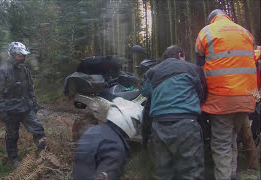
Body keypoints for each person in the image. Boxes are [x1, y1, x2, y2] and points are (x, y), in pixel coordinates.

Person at [195, 9, 257, 179]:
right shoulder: (245, 32)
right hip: (246, 98)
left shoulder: (206, 32)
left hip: (221, 99)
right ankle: (232, 173)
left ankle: (224, 176)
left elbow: (199, 68)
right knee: (232, 137)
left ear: (211, 20)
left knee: (221, 143)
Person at [140, 45, 206, 180]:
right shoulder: (194, 69)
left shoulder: (153, 71)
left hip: (159, 127)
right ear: (181, 55)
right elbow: (202, 94)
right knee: (191, 172)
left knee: (162, 173)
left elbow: (145, 92)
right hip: (187, 124)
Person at [0, 42, 47, 168]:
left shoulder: (25, 70)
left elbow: (30, 88)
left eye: (23, 55)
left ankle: (43, 154)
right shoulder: (3, 71)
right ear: (12, 55)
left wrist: (34, 104)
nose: (22, 58)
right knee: (12, 135)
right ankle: (13, 159)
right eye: (19, 55)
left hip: (25, 107)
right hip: (10, 110)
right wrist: (1, 111)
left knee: (38, 128)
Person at [72, 97, 143, 180]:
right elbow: (107, 175)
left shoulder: (93, 131)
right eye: (135, 123)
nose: (135, 127)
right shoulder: (115, 145)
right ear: (127, 119)